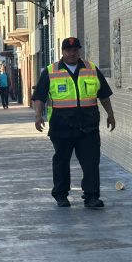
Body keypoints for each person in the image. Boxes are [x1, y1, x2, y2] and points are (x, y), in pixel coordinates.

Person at [32, 37, 116, 208]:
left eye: (75, 50)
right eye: (69, 50)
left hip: (88, 126)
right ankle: (61, 195)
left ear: (79, 51)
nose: (72, 53)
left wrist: (110, 114)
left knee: (91, 162)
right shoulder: (51, 71)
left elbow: (104, 95)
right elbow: (40, 97)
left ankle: (92, 197)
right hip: (61, 126)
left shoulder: (91, 69)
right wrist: (38, 116)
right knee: (61, 161)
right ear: (62, 52)